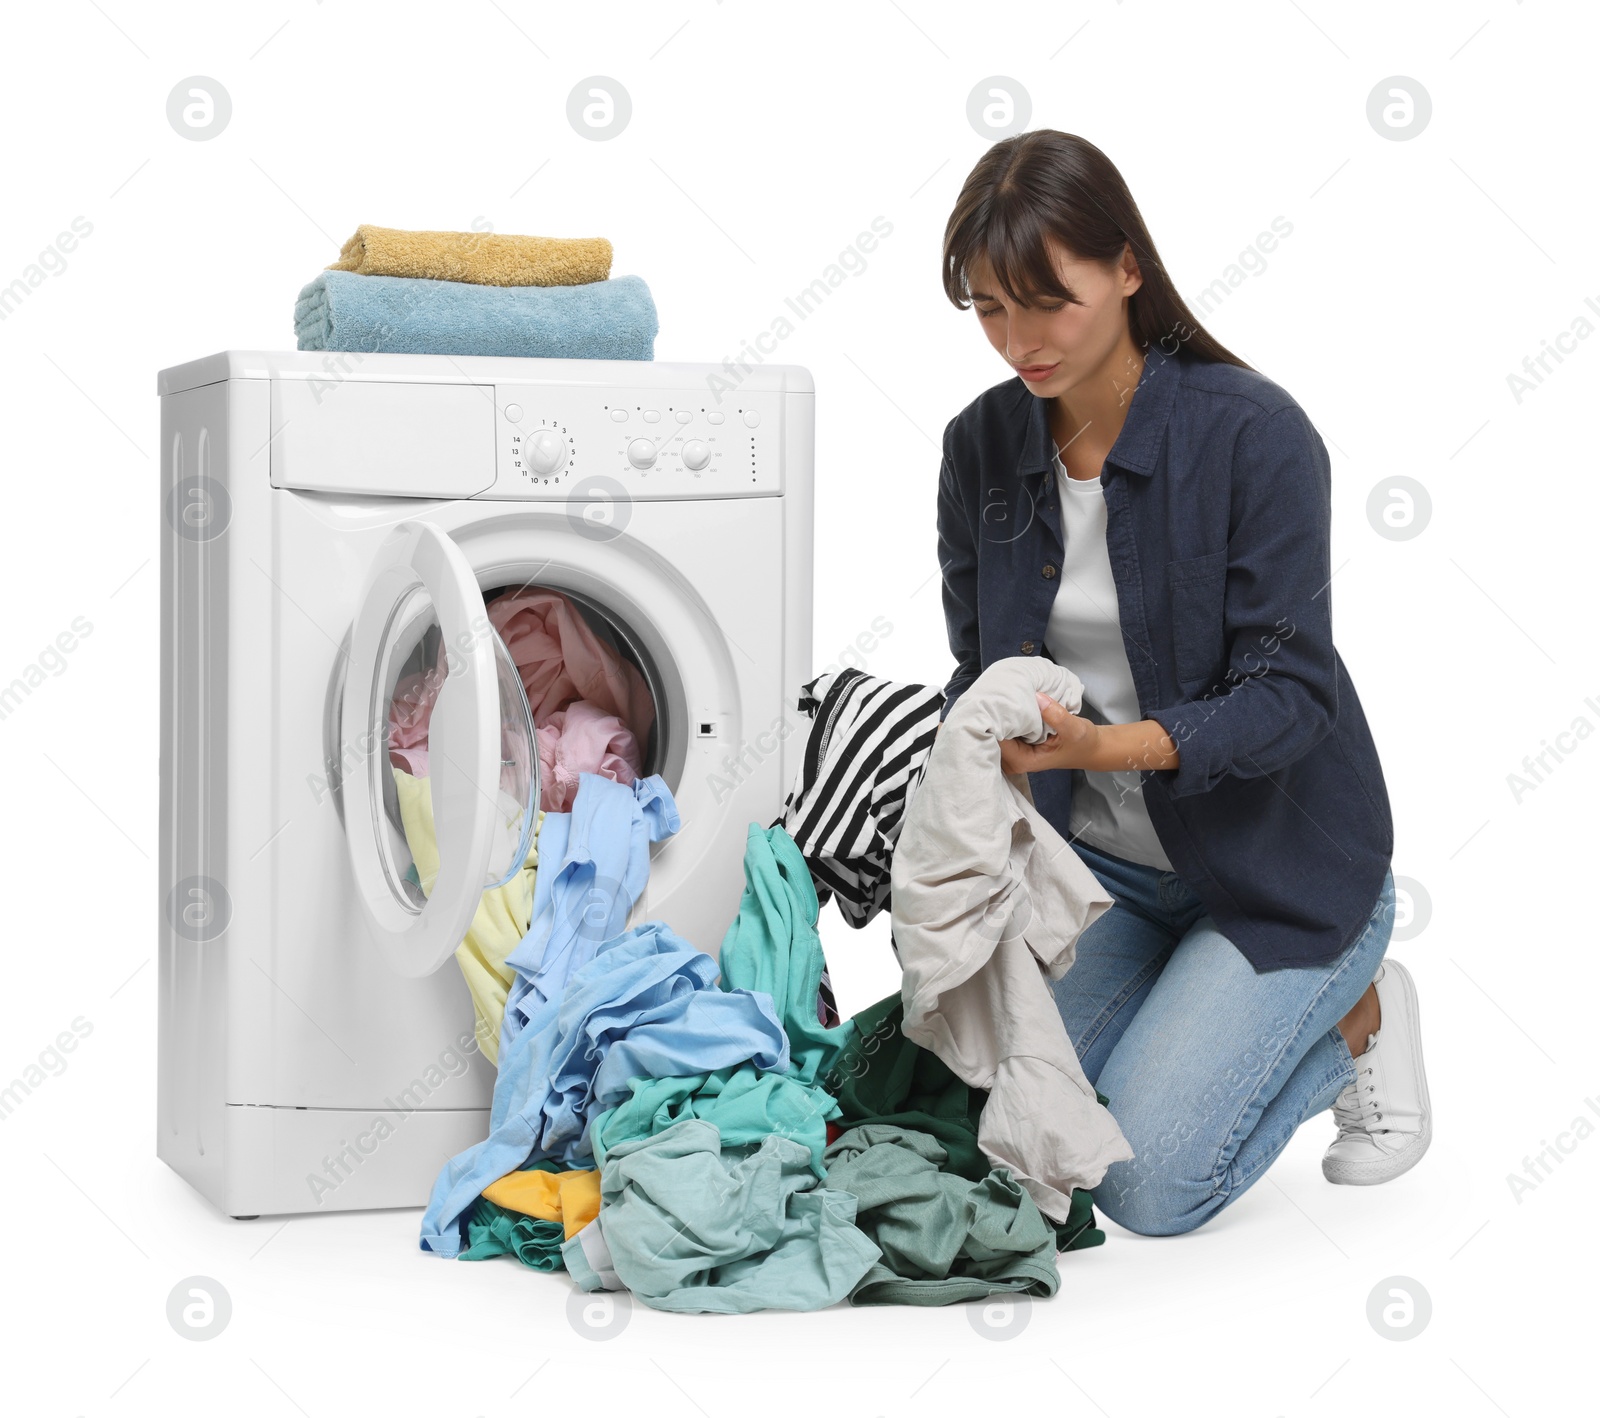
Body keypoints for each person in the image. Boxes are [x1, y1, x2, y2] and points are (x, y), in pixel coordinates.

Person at [932, 130, 1431, 1236]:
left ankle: (1357, 1013)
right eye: (989, 308)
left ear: (1125, 268)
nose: (1019, 340)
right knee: (1010, 1129)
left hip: (1278, 873)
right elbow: (980, 666)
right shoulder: (979, 448)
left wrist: (1108, 747)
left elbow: (1289, 691)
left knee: (1145, 1180)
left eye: (1045, 301)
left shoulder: (1253, 434)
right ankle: (1193, 1012)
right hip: (1102, 872)